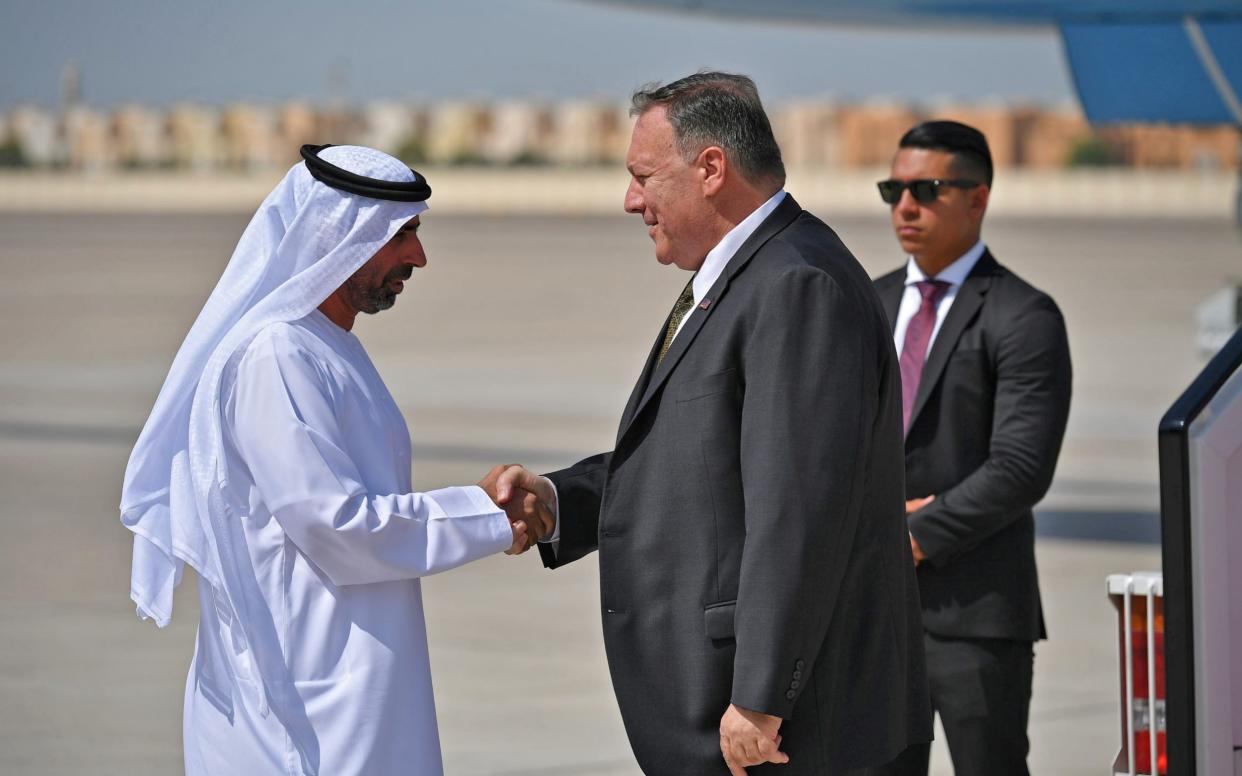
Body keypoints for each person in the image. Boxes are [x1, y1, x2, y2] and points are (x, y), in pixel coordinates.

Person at [490, 72, 930, 776]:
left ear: (712, 169)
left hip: (797, 732)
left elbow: (799, 510)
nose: (631, 200)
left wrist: (759, 697)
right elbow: (698, 457)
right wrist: (557, 500)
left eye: (643, 177)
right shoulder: (746, 277)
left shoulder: (796, 285)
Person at [119, 144, 551, 776]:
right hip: (304, 705)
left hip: (350, 681)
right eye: (399, 235)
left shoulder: (326, 346)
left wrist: (485, 513)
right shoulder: (277, 357)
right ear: (335, 234)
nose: (418, 256)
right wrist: (486, 514)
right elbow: (336, 525)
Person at [869, 121, 1073, 775]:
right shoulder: (862, 305)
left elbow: (1019, 469)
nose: (906, 206)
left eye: (927, 189)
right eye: (893, 189)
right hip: (870, 616)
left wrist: (910, 533)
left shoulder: (1023, 315)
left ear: (978, 197)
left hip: (976, 617)